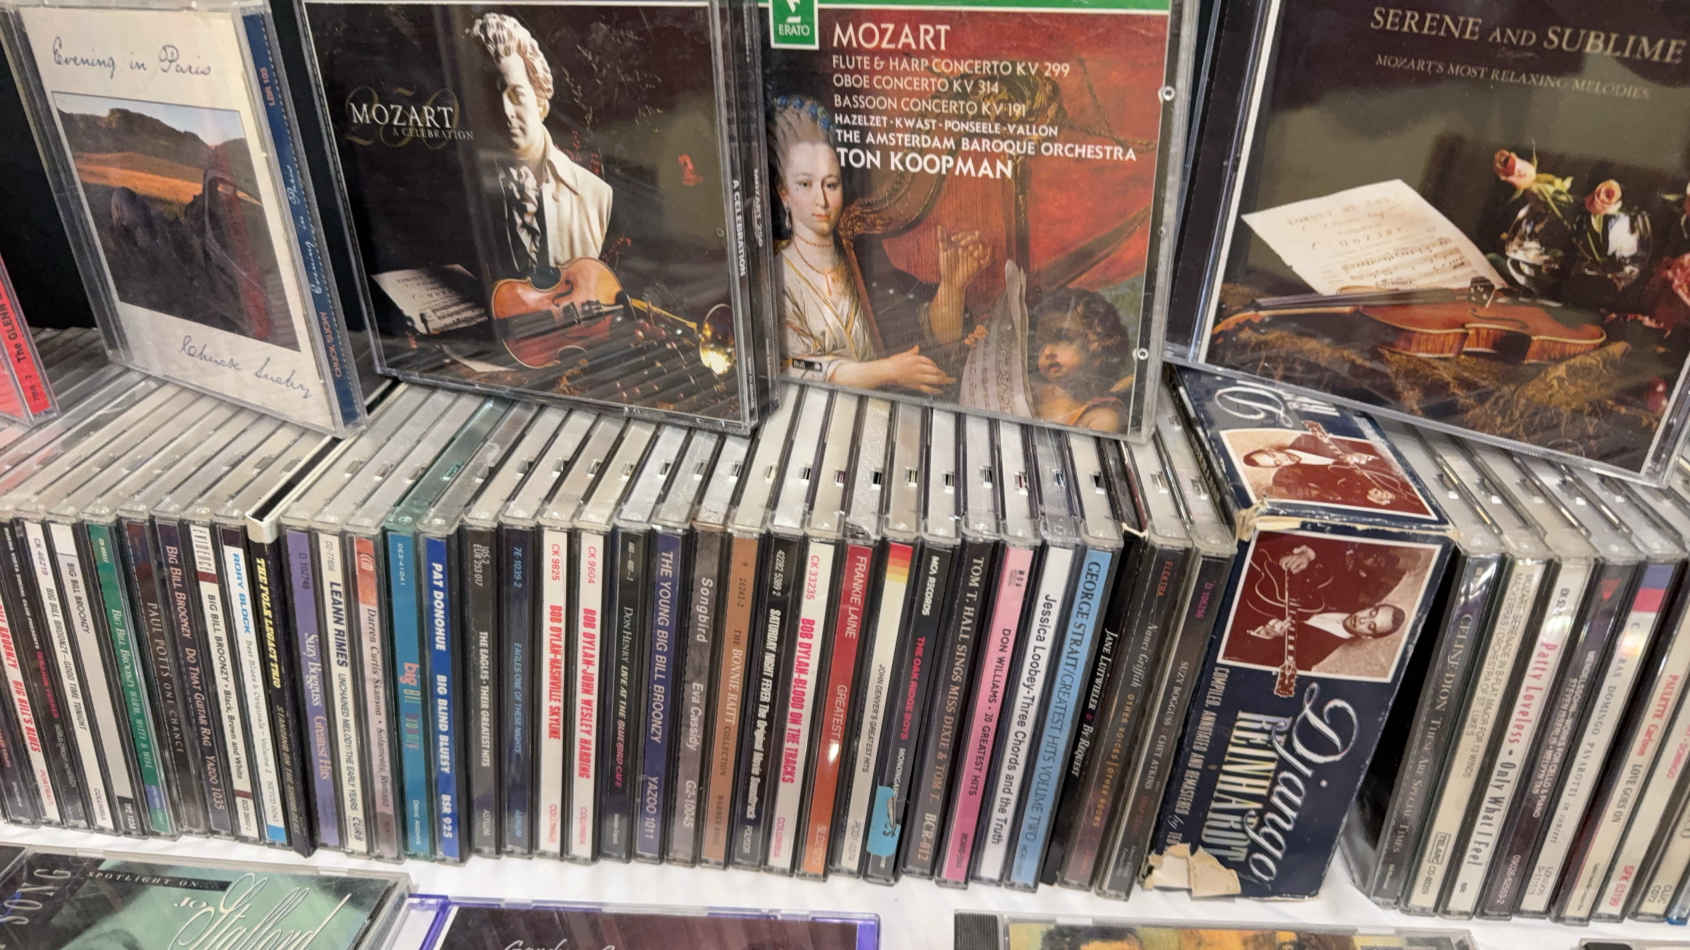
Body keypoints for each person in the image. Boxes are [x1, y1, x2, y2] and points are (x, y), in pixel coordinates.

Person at [769, 94, 989, 394]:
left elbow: (924, 336)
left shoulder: (859, 256)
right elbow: (794, 365)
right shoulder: (777, 276)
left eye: (831, 184)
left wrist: (952, 286)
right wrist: (888, 371)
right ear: (784, 193)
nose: (821, 200)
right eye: (805, 185)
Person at [466, 12, 613, 283]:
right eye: (491, 97)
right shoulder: (467, 192)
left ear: (540, 101)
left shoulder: (595, 195)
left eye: (517, 95)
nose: (506, 111)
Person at [1240, 421, 1418, 509]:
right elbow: (1339, 492)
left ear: (1270, 448)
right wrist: (1369, 495)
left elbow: (1365, 436)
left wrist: (1362, 455)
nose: (1282, 459)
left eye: (1272, 455)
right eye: (1276, 463)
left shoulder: (1306, 438)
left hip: (1402, 449)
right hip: (1396, 488)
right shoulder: (1295, 477)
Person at [1027, 288, 1133, 431]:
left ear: (1098, 345)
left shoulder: (1102, 418)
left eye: (1062, 338)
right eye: (1041, 344)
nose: (1047, 352)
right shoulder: (1033, 393)